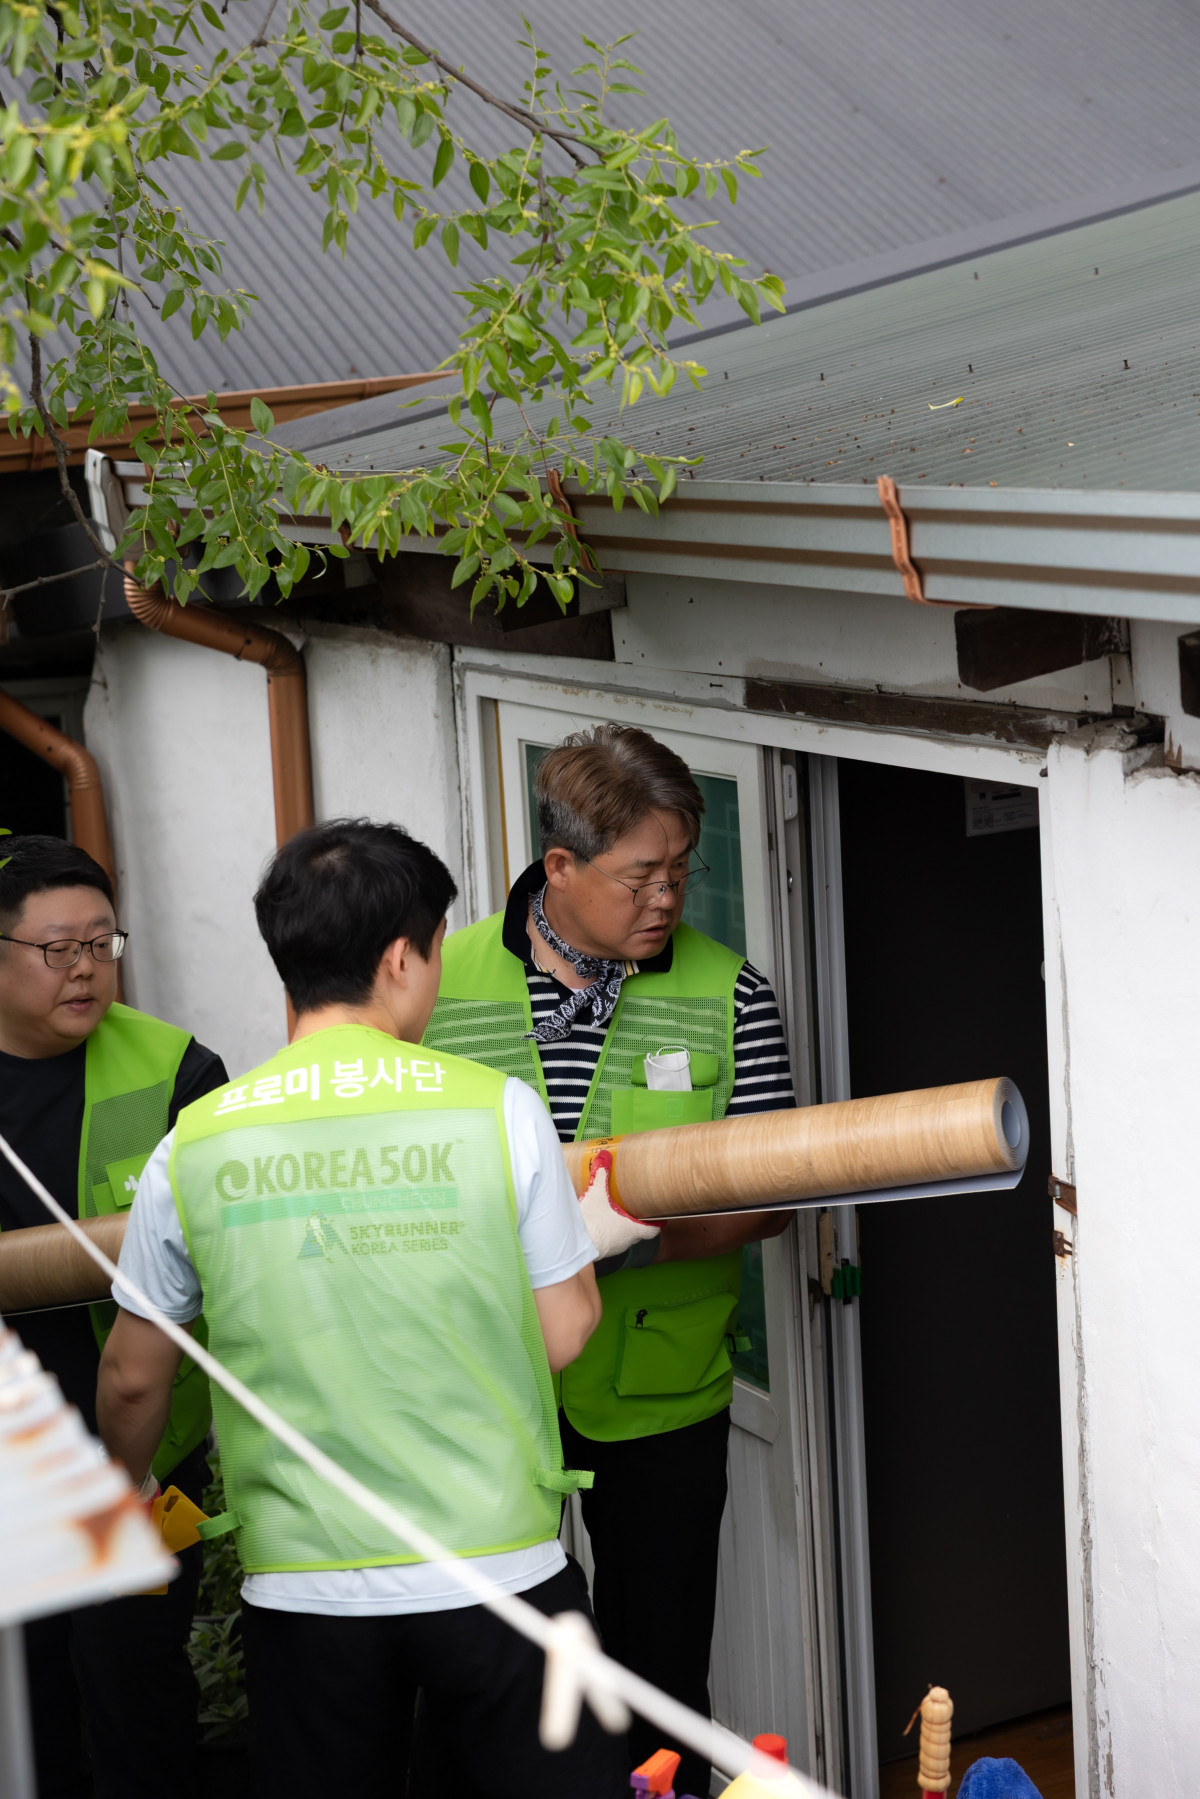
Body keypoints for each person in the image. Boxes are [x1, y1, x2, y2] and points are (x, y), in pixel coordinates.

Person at [96, 818, 626, 1799]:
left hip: (307, 1585)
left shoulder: (198, 1141)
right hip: (499, 1567)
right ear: (399, 957)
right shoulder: (495, 1107)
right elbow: (566, 1329)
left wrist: (128, 1496)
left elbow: (134, 1374)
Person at [425, 724, 796, 1798]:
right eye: (642, 874)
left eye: (682, 869)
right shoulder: (431, 986)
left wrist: (631, 1232)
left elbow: (766, 1197)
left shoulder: (734, 993)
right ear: (561, 867)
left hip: (661, 1389)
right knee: (494, 1663)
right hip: (490, 1386)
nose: (668, 896)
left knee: (660, 1681)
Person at [0, 834, 227, 1799]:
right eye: (58, 947)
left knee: (135, 1688)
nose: (87, 966)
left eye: (103, 941)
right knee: (24, 1696)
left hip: (132, 1452)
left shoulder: (179, 1068)